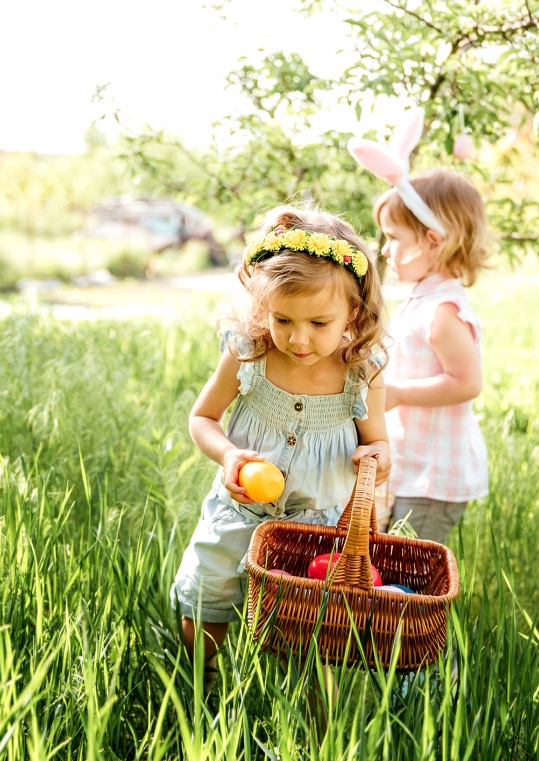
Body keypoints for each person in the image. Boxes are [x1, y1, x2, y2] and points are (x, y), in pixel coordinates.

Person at [173, 205, 392, 672]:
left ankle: (316, 725)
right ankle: (198, 688)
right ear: (262, 307)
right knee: (206, 600)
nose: (299, 340)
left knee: (314, 633)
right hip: (238, 512)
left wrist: (378, 457)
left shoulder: (361, 374)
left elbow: (380, 443)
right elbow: (202, 418)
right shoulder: (248, 354)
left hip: (319, 529)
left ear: (352, 311)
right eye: (283, 320)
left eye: (319, 324)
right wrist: (229, 455)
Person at [349, 109, 490, 544]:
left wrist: (398, 395)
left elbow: (466, 383)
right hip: (414, 467)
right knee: (391, 560)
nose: (386, 250)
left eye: (395, 239)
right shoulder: (422, 298)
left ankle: (410, 617)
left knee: (409, 578)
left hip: (435, 476)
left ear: (433, 241)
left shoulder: (443, 310)